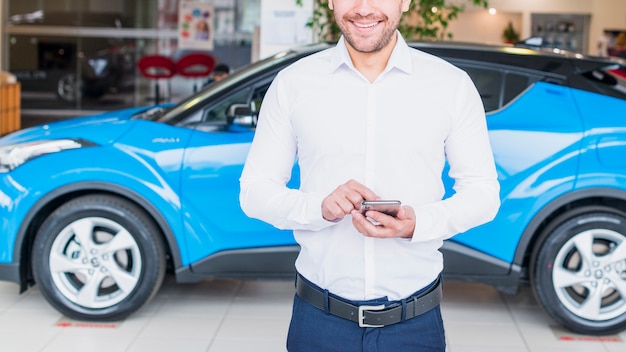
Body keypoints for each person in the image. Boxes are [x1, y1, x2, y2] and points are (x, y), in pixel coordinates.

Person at [239, 0, 500, 351]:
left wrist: (417, 223)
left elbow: (483, 194)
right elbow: (254, 191)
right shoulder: (293, 84)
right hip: (318, 322)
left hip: (414, 326)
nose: (364, 8)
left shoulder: (451, 86)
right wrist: (319, 208)